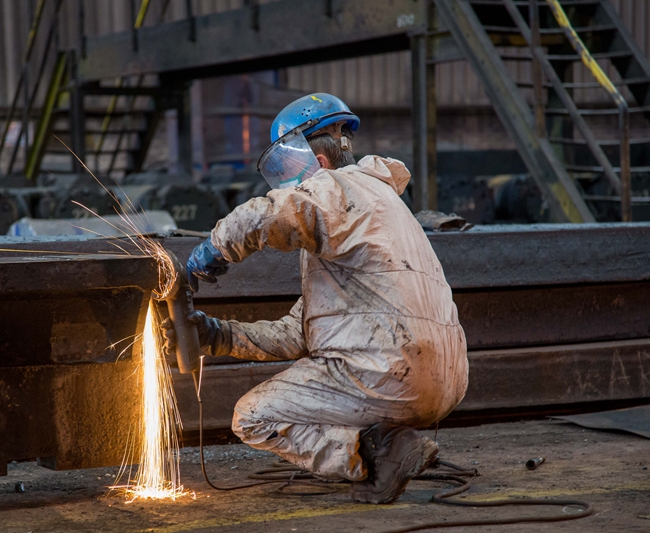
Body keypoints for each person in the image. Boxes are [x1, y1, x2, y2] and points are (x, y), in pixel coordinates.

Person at [163, 93, 468, 504]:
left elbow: (263, 216)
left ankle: (377, 454)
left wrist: (210, 251)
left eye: (288, 171)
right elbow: (299, 333)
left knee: (252, 417)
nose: (289, 184)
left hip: (389, 374)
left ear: (318, 161)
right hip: (447, 379)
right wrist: (218, 335)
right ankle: (390, 444)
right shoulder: (380, 207)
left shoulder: (335, 188)